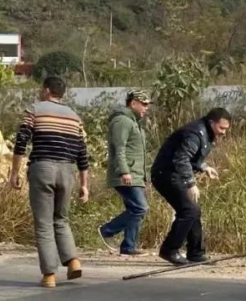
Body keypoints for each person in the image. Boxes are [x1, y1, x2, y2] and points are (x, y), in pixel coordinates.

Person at [9, 76, 90, 288]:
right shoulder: (75, 117)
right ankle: (73, 261)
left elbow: (21, 142)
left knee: (44, 224)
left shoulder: (35, 109)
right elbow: (82, 153)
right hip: (67, 171)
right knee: (61, 219)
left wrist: (14, 172)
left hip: (42, 168)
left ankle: (49, 275)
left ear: (46, 90)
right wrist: (84, 184)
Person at [150, 107, 231, 265]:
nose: (223, 132)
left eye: (226, 129)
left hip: (173, 173)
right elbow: (181, 159)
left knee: (193, 211)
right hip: (165, 175)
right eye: (221, 128)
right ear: (211, 122)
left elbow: (191, 157)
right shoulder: (195, 133)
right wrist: (191, 183)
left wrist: (204, 167)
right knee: (189, 210)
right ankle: (169, 250)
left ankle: (195, 253)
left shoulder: (205, 132)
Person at [98, 89, 151, 256]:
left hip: (136, 174)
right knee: (140, 208)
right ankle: (107, 230)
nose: (146, 108)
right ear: (133, 103)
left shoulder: (134, 123)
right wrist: (124, 171)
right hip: (127, 174)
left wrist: (143, 177)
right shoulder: (122, 121)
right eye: (143, 104)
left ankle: (129, 246)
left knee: (135, 209)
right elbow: (119, 148)